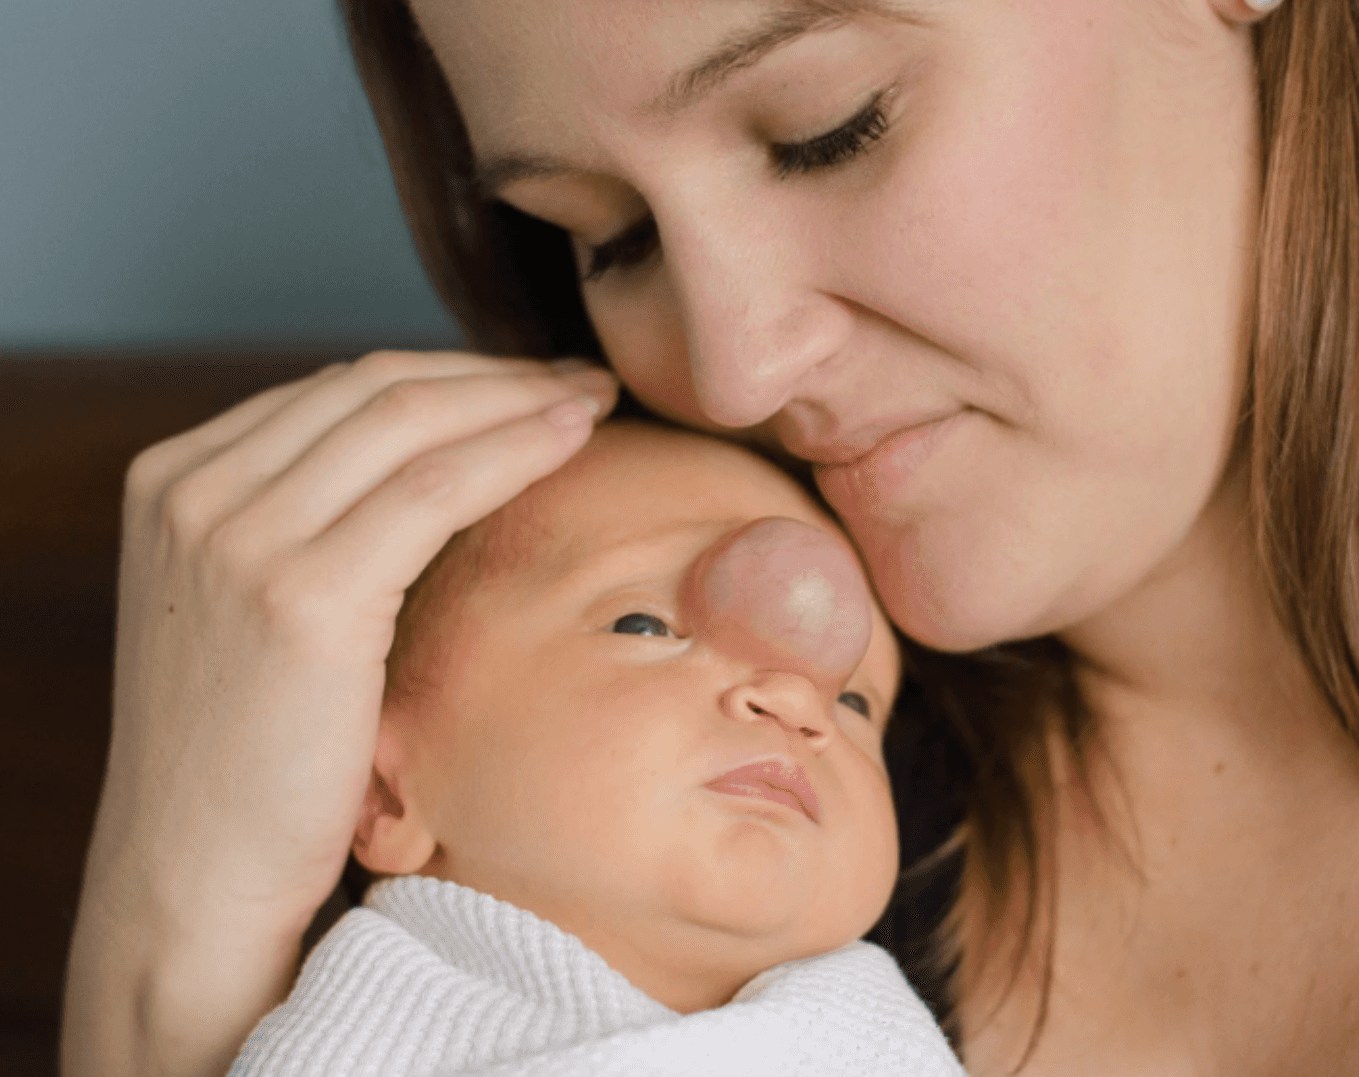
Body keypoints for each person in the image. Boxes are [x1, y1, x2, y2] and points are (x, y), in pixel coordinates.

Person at [63, 0, 1359, 1075]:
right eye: (610, 234)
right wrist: (171, 937)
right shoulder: (640, 780)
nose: (731, 366)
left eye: (827, 128)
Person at [227, 418, 963, 1076]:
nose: (802, 707)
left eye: (854, 700)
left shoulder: (874, 1031)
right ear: (384, 794)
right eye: (644, 626)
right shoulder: (363, 1035)